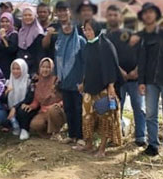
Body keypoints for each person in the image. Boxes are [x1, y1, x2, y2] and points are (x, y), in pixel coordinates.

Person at [77, 20, 122, 157]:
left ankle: (102, 149)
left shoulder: (105, 45)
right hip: (89, 88)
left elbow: (112, 67)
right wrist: (83, 82)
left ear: (96, 29)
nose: (87, 33)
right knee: (86, 117)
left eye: (90, 29)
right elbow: (87, 67)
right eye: (85, 30)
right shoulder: (87, 46)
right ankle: (89, 144)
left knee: (105, 118)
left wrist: (111, 86)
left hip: (104, 88)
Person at [105, 4, 143, 146]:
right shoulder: (106, 37)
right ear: (107, 17)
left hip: (135, 79)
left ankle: (140, 137)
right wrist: (119, 70)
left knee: (138, 108)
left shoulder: (131, 34)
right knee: (115, 110)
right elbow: (108, 58)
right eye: (110, 15)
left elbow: (142, 54)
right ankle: (116, 137)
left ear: (120, 17)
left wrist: (137, 71)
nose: (113, 17)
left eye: (116, 15)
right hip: (117, 81)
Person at [55, 15, 86, 145]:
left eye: (70, 24)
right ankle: (71, 135)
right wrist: (57, 77)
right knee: (68, 109)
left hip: (78, 83)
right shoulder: (59, 42)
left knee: (79, 109)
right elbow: (57, 62)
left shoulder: (81, 41)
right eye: (64, 25)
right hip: (65, 82)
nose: (67, 27)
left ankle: (80, 137)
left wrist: (84, 82)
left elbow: (86, 63)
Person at [18, 58, 66, 140]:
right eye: (43, 67)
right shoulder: (38, 82)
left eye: (48, 67)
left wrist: (59, 104)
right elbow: (37, 100)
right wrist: (31, 106)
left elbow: (66, 97)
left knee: (53, 110)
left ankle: (58, 132)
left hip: (58, 110)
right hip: (44, 111)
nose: (45, 69)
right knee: (35, 124)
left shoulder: (57, 80)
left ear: (52, 68)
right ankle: (49, 135)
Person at [138, 2, 163, 157]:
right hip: (150, 81)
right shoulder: (143, 36)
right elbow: (142, 60)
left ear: (156, 15)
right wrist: (141, 81)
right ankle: (153, 145)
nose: (148, 14)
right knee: (150, 114)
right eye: (145, 12)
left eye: (151, 12)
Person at [16, 4, 45, 74]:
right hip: (21, 68)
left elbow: (39, 53)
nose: (27, 17)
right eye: (25, 15)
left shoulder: (38, 32)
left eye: (30, 15)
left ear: (34, 16)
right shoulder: (21, 31)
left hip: (33, 69)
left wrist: (37, 71)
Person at [5, 59, 31, 138]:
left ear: (23, 69)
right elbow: (3, 100)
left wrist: (15, 107)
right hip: (11, 110)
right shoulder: (8, 82)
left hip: (24, 108)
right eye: (13, 69)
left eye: (18, 69)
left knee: (22, 110)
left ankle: (24, 129)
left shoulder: (28, 82)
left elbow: (28, 99)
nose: (15, 71)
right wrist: (5, 93)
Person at [0, 12, 19, 79]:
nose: (4, 24)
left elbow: (11, 49)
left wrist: (4, 37)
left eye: (7, 21)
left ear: (11, 22)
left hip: (7, 68)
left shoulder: (14, 35)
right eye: (2, 21)